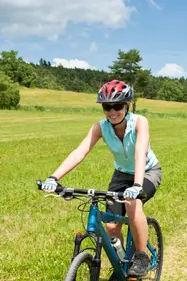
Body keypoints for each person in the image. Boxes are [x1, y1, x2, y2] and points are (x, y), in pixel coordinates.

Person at [41, 80, 161, 277]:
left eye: (117, 106)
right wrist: (53, 177)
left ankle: (141, 256)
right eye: (107, 107)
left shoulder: (140, 122)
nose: (112, 111)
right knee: (111, 226)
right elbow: (80, 151)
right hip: (121, 174)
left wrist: (137, 185)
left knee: (132, 203)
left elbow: (140, 152)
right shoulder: (100, 127)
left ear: (127, 106)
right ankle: (123, 261)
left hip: (148, 171)